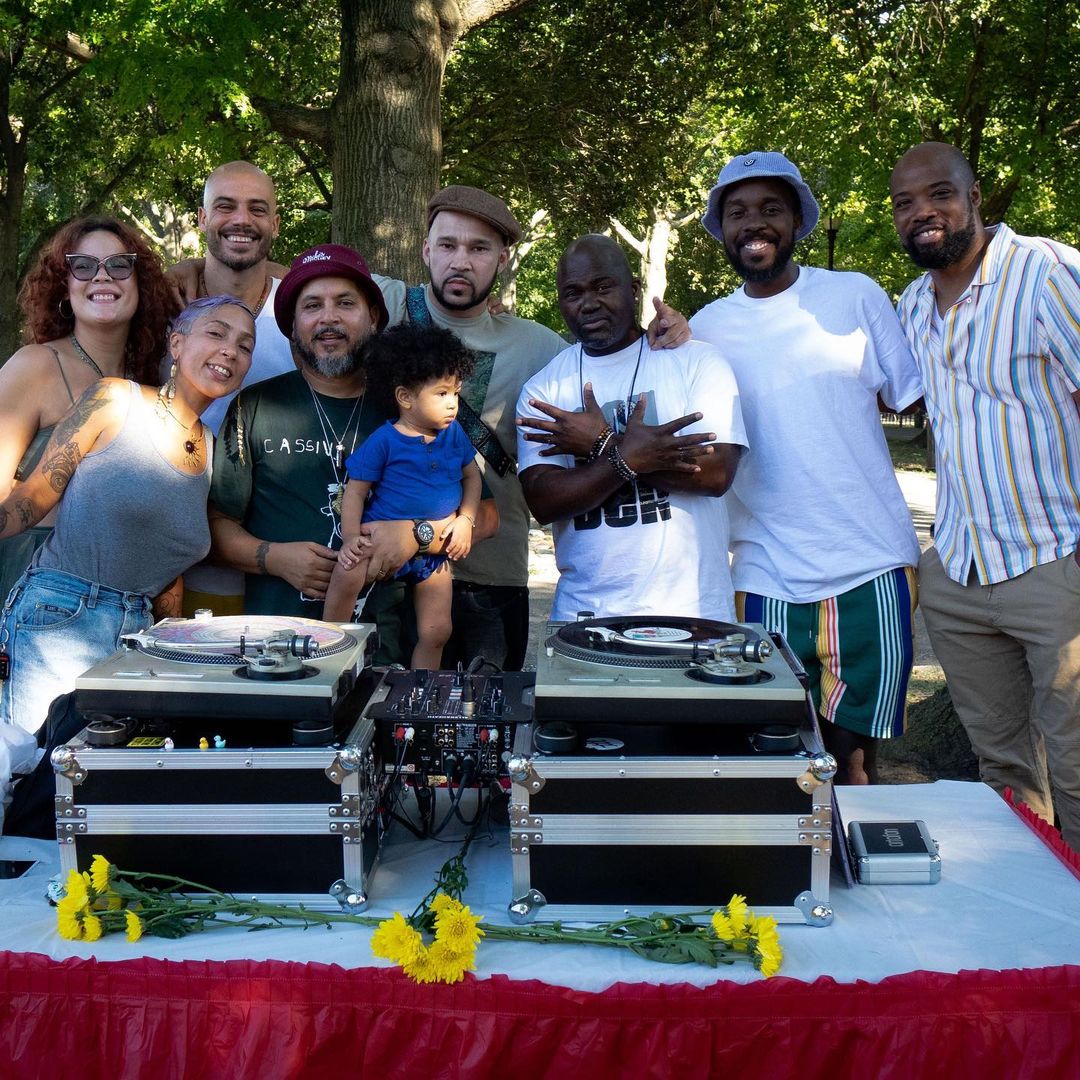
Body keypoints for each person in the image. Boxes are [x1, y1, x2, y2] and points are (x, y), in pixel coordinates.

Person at [689, 151, 923, 786]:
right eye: (737, 212)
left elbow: (919, 400)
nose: (754, 223)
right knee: (775, 760)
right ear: (721, 229)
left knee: (855, 765)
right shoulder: (706, 330)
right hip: (763, 570)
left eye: (771, 208)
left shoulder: (855, 296)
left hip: (869, 564)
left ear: (797, 221)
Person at [890, 141, 1080, 846]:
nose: (922, 213)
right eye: (904, 203)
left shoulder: (1047, 273)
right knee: (1003, 774)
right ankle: (1032, 908)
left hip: (1055, 561)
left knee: (1078, 769)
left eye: (939, 194)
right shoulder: (912, 304)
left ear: (974, 197)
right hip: (960, 573)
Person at [208, 244, 495, 659]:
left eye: (345, 303)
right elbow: (216, 527)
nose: (329, 318)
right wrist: (274, 558)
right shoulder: (256, 406)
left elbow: (487, 515)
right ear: (292, 326)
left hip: (390, 656)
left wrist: (418, 535)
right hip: (276, 655)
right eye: (312, 306)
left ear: (373, 317)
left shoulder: (413, 404)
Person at [0, 295, 255, 734]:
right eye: (216, 333)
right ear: (177, 344)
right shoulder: (116, 399)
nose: (231, 350)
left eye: (245, 345)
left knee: (106, 775)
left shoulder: (211, 449)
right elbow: (33, 497)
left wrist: (171, 643)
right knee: (33, 767)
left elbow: (168, 566)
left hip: (139, 636)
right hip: (61, 616)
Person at [516, 234, 744, 620]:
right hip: (585, 616)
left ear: (634, 289)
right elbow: (544, 500)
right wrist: (632, 455)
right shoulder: (544, 389)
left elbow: (715, 472)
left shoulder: (697, 362)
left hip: (693, 612)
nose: (589, 302)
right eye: (573, 293)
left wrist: (603, 444)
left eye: (603, 287)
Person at [0, 215, 176, 607]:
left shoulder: (150, 383)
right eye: (83, 265)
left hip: (122, 596)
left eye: (119, 265)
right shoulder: (35, 366)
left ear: (141, 284)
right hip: (34, 589)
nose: (102, 276)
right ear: (64, 285)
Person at [324, 324, 482, 669]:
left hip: (434, 554)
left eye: (455, 393)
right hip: (379, 541)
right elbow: (355, 491)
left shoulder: (454, 434)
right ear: (405, 397)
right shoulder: (385, 440)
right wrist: (350, 538)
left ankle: (423, 684)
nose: (453, 404)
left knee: (438, 630)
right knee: (347, 572)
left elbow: (473, 477)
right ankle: (330, 645)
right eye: (442, 393)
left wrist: (466, 520)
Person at [180, 162, 297, 616]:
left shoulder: (303, 310)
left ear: (275, 224)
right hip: (175, 567)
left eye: (257, 209)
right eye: (225, 206)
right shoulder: (163, 306)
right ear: (202, 218)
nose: (242, 220)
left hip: (284, 569)